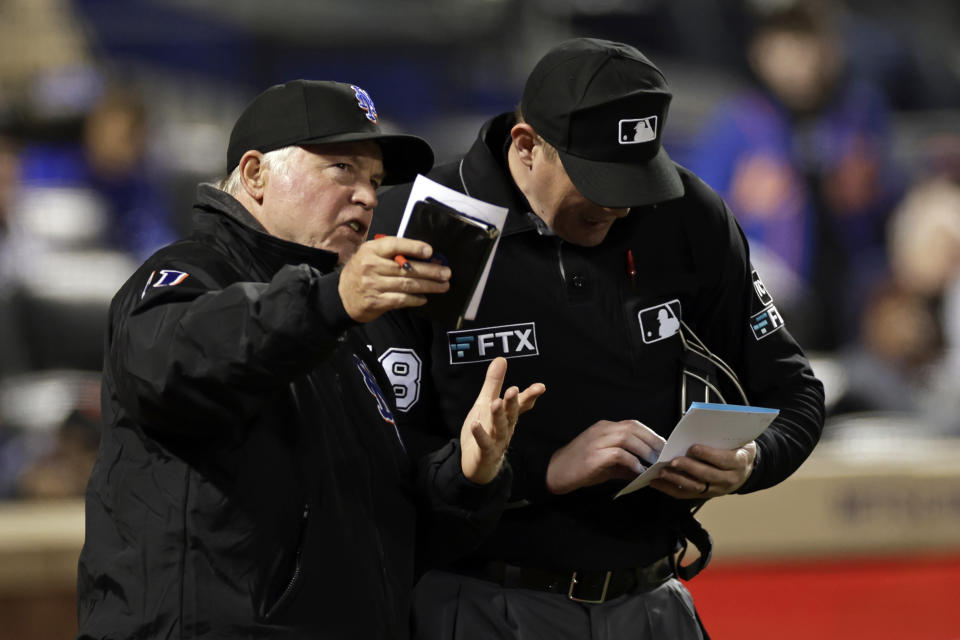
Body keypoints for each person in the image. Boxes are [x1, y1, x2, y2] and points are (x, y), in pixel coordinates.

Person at [366, 38, 825, 639]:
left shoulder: (683, 213)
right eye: (597, 178)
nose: (618, 205)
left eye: (637, 178)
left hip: (655, 601)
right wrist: (543, 470)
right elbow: (379, 457)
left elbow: (795, 392)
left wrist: (748, 462)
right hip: (487, 600)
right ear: (526, 146)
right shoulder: (439, 222)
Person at [75, 79, 546, 640]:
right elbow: (175, 366)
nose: (369, 196)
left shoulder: (345, 322)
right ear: (255, 175)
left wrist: (469, 473)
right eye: (342, 168)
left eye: (374, 180)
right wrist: (331, 301)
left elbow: (378, 532)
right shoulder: (185, 276)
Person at [687, 0, 902, 352]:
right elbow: (696, 217)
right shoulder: (739, 122)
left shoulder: (861, 113)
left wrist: (874, 192)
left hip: (855, 285)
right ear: (761, 51)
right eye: (786, 42)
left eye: (808, 40)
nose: (799, 57)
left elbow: (892, 205)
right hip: (777, 290)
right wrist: (741, 201)